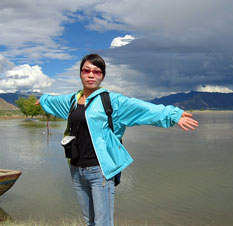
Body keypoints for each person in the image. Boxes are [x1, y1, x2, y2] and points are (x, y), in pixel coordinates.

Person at [36, 53, 198, 226]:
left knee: (103, 222)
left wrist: (173, 115)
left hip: (100, 171)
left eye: (97, 72)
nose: (91, 75)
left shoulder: (112, 101)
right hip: (76, 169)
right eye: (86, 70)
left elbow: (142, 108)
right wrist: (44, 100)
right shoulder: (73, 100)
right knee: (89, 220)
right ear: (80, 73)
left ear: (103, 76)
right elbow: (54, 101)